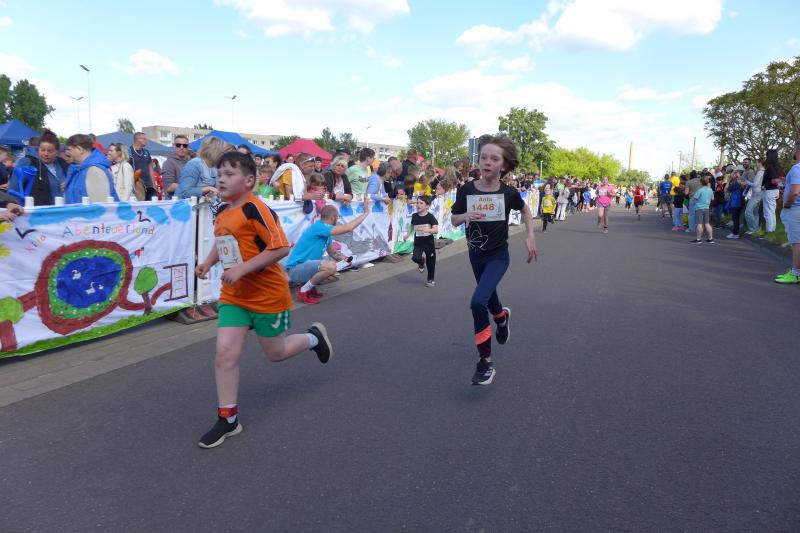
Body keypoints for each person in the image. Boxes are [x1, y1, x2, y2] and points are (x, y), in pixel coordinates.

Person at [194, 151, 332, 449]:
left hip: (266, 295)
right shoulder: (223, 211)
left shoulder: (255, 208)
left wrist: (242, 269)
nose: (221, 179)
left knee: (276, 353)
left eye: (229, 174)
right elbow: (223, 241)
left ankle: (313, 338)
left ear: (248, 181)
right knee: (224, 353)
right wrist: (207, 262)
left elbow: (280, 247)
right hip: (234, 296)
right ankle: (228, 419)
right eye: (219, 174)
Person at [451, 135, 538, 386]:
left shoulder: (508, 193)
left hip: (498, 256)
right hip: (475, 255)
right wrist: (465, 215)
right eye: (484, 157)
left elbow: (525, 210)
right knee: (488, 296)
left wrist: (530, 236)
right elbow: (454, 219)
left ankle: (485, 362)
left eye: (494, 158)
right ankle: (501, 317)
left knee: (478, 302)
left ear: (504, 165)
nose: (487, 162)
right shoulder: (467, 190)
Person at [286, 203, 371, 305]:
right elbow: (349, 227)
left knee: (330, 266)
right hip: (294, 270)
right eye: (337, 217)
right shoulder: (319, 227)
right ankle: (303, 291)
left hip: (302, 268)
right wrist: (366, 213)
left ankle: (310, 288)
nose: (338, 219)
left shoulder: (324, 231)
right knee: (330, 267)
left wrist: (344, 258)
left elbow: (333, 253)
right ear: (333, 217)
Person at [7, 130, 68, 205]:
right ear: (38, 149)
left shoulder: (63, 164)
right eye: (42, 150)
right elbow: (14, 187)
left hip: (63, 209)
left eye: (50, 151)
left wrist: (68, 184)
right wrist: (11, 205)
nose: (46, 154)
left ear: (57, 152)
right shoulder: (28, 162)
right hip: (36, 210)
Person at [63, 134, 119, 204]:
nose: (67, 153)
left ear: (79, 149)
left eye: (69, 149)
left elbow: (101, 205)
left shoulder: (94, 171)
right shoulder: (79, 170)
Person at [775, 140, 800, 284]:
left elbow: (795, 191)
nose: (792, 151)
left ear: (797, 150)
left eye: (793, 148)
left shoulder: (797, 168)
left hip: (795, 209)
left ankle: (796, 274)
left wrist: (787, 204)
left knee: (797, 242)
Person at [406, 195, 438, 287]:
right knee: (415, 258)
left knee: (431, 262)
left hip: (429, 243)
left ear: (427, 206)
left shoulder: (430, 217)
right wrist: (407, 234)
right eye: (417, 203)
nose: (418, 205)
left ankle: (430, 280)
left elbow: (436, 230)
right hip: (418, 243)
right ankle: (421, 262)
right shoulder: (415, 216)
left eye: (421, 203)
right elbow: (412, 226)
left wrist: (428, 230)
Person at [129, 132, 155, 200]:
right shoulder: (129, 151)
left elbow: (151, 169)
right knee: (140, 205)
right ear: (138, 139)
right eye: (144, 139)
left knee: (150, 205)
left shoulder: (146, 152)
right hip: (137, 186)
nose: (146, 140)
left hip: (149, 186)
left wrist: (154, 186)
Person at [762, 149, 781, 235]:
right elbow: (777, 179)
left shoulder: (770, 167)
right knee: (772, 212)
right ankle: (772, 230)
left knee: (768, 212)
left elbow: (774, 179)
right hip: (775, 191)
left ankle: (769, 231)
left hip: (769, 191)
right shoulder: (777, 167)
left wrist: (764, 185)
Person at [690, 176, 714, 244]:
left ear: (701, 183)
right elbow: (712, 198)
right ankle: (710, 238)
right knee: (707, 223)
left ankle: (698, 239)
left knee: (699, 223)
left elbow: (695, 198)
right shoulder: (710, 190)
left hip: (699, 208)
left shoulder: (700, 190)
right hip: (707, 208)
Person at [744, 158, 764, 234]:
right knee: (755, 212)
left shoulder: (760, 172)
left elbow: (755, 184)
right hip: (758, 193)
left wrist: (746, 182)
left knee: (748, 211)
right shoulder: (761, 172)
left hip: (757, 194)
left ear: (760, 163)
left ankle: (754, 228)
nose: (756, 164)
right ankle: (755, 229)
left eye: (756, 162)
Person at [725, 171, 744, 239]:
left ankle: (735, 233)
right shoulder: (739, 183)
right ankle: (735, 232)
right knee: (736, 218)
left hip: (736, 202)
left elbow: (727, 189)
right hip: (739, 202)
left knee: (735, 219)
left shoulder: (735, 184)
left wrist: (728, 181)